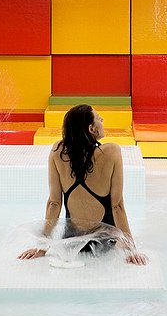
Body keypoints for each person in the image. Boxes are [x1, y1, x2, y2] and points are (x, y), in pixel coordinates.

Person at [18, 104, 147, 265]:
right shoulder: (112, 152)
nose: (102, 120)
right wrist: (131, 250)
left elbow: (54, 203)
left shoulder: (57, 151)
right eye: (99, 118)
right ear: (91, 128)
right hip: (103, 243)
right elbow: (117, 206)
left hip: (72, 242)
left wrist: (42, 247)